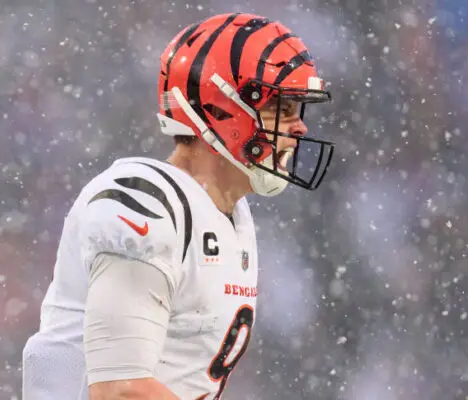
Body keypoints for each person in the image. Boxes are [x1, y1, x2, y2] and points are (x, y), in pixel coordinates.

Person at [21, 12, 336, 400]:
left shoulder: (232, 215)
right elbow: (120, 390)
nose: (299, 127)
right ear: (223, 108)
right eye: (281, 108)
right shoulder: (145, 203)